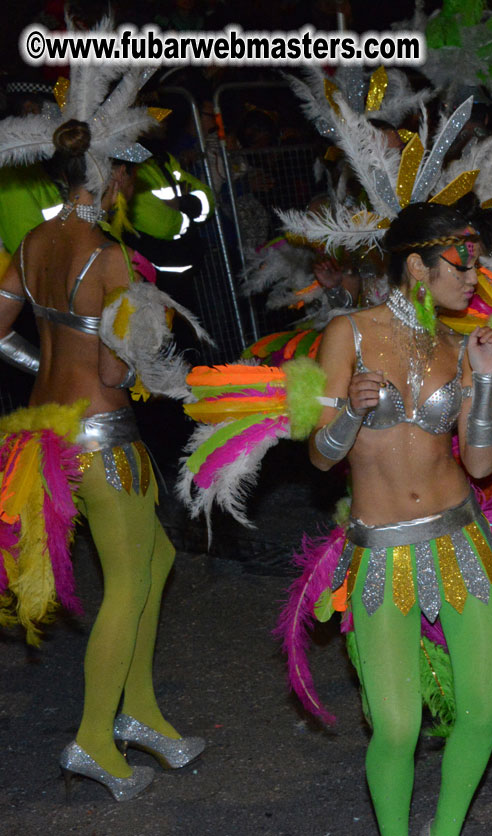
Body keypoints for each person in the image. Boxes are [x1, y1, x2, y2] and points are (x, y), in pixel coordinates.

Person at [0, 119, 204, 801]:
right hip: (105, 440)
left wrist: (49, 360)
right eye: (127, 172)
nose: (130, 183)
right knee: (127, 586)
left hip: (44, 435)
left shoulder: (31, 244)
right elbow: (118, 371)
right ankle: (93, 738)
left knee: (159, 561)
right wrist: (157, 339)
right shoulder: (109, 256)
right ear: (108, 176)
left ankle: (140, 712)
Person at [309, 201, 492, 836]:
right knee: (396, 725)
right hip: (380, 551)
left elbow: (480, 466)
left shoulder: (459, 345)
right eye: (462, 260)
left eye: (478, 261)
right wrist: (348, 412)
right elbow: (318, 457)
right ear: (417, 267)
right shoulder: (350, 334)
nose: (473, 275)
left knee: (482, 709)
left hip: (457, 540)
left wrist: (483, 382)